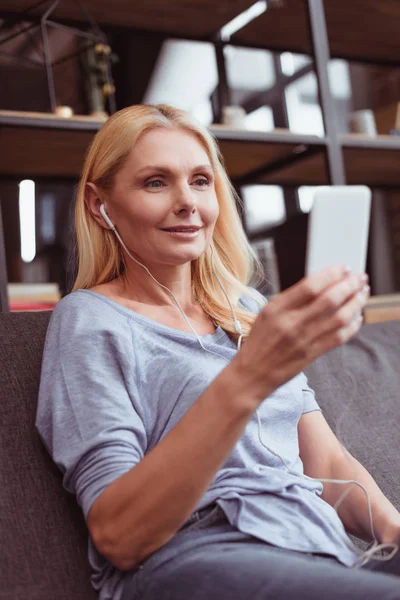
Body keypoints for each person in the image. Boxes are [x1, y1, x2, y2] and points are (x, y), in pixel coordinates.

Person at [36, 104, 400, 600]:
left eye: (201, 180)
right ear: (101, 205)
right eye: (156, 182)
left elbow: (329, 465)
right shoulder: (89, 318)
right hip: (203, 553)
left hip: (319, 547)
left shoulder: (246, 308)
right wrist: (248, 376)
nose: (188, 202)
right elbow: (118, 534)